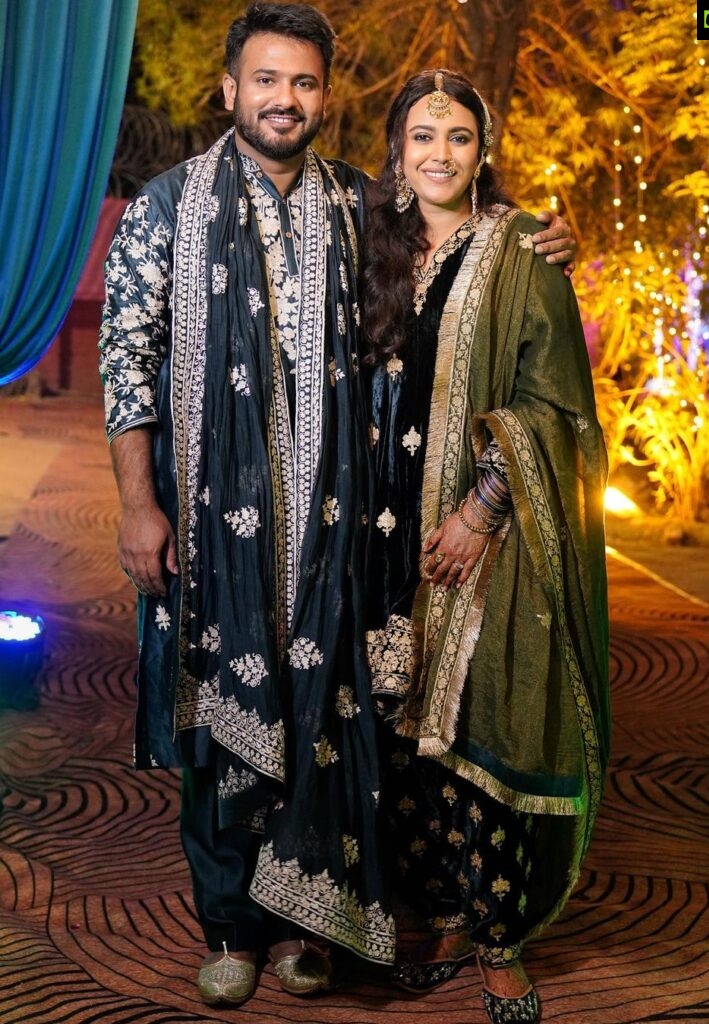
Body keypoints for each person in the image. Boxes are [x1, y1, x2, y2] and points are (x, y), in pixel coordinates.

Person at [99, 1, 576, 1010]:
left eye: (304, 82)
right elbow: (127, 363)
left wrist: (539, 234)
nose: (285, 99)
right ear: (230, 89)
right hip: (210, 526)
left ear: (323, 95)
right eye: (265, 79)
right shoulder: (166, 207)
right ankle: (229, 923)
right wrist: (139, 505)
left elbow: (461, 245)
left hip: (333, 532)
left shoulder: (360, 206)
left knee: (323, 715)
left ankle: (304, 926)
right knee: (214, 716)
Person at [362, 70, 609, 1024]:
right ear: (395, 148)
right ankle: (443, 913)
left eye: (458, 137)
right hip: (380, 540)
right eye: (422, 135)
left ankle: (501, 941)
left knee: (483, 727)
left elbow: (558, 409)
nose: (439, 154)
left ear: (483, 150)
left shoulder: (524, 254)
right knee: (402, 735)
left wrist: (484, 509)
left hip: (482, 539)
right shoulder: (369, 245)